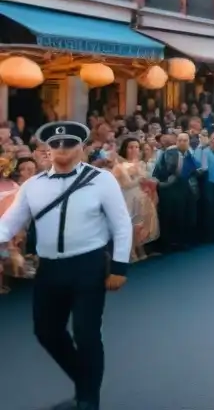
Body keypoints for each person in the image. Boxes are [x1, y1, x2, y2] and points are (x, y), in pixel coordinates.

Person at [0, 121, 133, 410]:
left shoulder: (102, 180)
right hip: (50, 270)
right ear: (48, 148)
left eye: (69, 144)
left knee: (86, 334)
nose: (62, 149)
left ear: (81, 147)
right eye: (56, 144)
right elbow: (8, 224)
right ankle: (86, 380)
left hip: (89, 266)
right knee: (46, 331)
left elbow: (121, 225)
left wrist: (120, 267)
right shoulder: (33, 186)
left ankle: (88, 399)